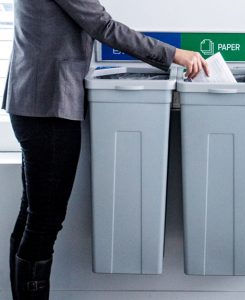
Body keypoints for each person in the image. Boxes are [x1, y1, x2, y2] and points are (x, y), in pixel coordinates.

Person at [2, 0, 209, 299]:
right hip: (48, 106)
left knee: (32, 219)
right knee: (42, 225)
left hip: (33, 101)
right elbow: (103, 26)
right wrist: (176, 54)